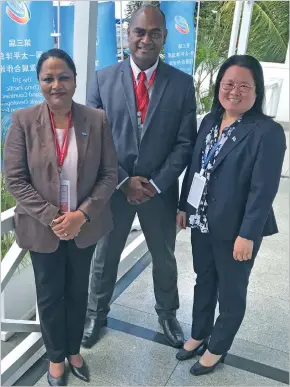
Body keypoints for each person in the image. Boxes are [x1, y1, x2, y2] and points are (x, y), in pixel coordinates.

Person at [82, 5, 197, 349]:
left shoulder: (181, 84)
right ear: (127, 35)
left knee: (164, 257)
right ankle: (95, 314)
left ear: (164, 37)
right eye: (139, 32)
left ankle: (167, 314)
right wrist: (123, 180)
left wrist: (156, 183)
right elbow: (92, 139)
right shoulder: (103, 79)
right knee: (105, 255)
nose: (146, 39)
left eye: (155, 33)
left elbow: (185, 142)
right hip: (113, 189)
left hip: (159, 192)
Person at [4, 49, 117, 386]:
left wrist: (81, 215)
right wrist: (54, 216)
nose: (56, 85)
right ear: (39, 83)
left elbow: (109, 175)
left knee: (78, 290)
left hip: (84, 225)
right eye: (48, 78)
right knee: (50, 294)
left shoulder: (96, 120)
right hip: (44, 229)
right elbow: (15, 179)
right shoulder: (23, 122)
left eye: (63, 77)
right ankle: (55, 358)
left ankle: (73, 350)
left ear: (75, 80)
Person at [176, 55, 286, 376]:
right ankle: (199, 333)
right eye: (228, 84)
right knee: (204, 279)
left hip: (237, 228)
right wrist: (185, 206)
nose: (234, 91)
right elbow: (196, 166)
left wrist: (248, 234)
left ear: (257, 91)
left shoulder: (267, 132)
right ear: (218, 87)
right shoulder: (210, 120)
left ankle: (218, 347)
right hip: (203, 221)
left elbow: (263, 190)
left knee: (232, 290)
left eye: (243, 85)